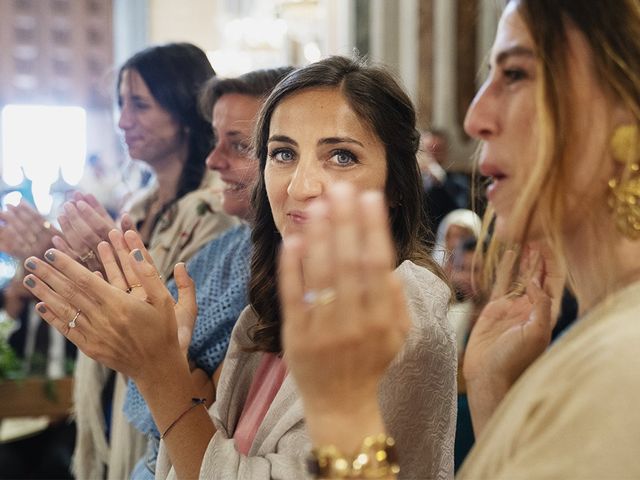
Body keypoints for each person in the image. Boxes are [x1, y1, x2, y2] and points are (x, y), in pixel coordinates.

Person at [23, 56, 457, 479]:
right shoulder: (265, 313)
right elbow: (201, 451)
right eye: (283, 153)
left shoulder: (400, 320)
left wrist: (160, 373)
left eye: (341, 156)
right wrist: (164, 361)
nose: (302, 186)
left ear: (396, 184)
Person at [274, 0, 640, 478]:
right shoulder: (606, 334)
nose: (475, 117)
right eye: (280, 152)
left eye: (515, 74)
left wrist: (344, 419)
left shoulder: (626, 360)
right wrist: (494, 395)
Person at [60, 42, 236, 480]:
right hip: (112, 393)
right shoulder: (137, 207)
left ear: (184, 109)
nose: (123, 121)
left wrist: (113, 279)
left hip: (171, 411)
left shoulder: (214, 213)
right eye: (121, 104)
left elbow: (192, 334)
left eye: (139, 105)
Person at [124, 66, 293, 480]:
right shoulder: (226, 248)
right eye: (217, 142)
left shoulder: (286, 270)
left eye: (237, 146)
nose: (213, 160)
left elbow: (213, 407)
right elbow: (146, 379)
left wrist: (166, 365)